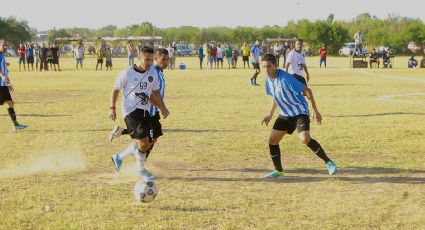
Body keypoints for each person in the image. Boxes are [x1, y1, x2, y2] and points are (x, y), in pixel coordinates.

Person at [260, 53, 336, 178]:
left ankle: (329, 162)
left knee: (305, 139)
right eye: (264, 67)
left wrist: (315, 111)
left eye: (268, 66)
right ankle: (279, 171)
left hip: (300, 111)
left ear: (275, 65)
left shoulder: (286, 78)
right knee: (273, 141)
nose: (266, 69)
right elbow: (275, 96)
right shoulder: (267, 80)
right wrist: (270, 113)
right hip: (285, 114)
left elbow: (307, 91)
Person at [108, 46, 169, 181]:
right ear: (139, 58)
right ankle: (140, 169)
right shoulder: (127, 73)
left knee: (148, 142)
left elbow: (155, 93)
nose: (149, 63)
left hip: (145, 111)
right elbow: (115, 90)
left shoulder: (152, 74)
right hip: (130, 111)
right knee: (143, 141)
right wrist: (112, 108)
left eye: (151, 60)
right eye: (146, 60)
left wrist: (162, 107)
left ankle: (118, 157)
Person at [0, 39, 28, 131]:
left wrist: (7, 83)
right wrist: (3, 76)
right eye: (3, 45)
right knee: (9, 103)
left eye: (6, 45)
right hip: (1, 85)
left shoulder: (1, 55)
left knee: (10, 103)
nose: (5, 47)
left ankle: (16, 125)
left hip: (3, 85)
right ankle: (16, 125)